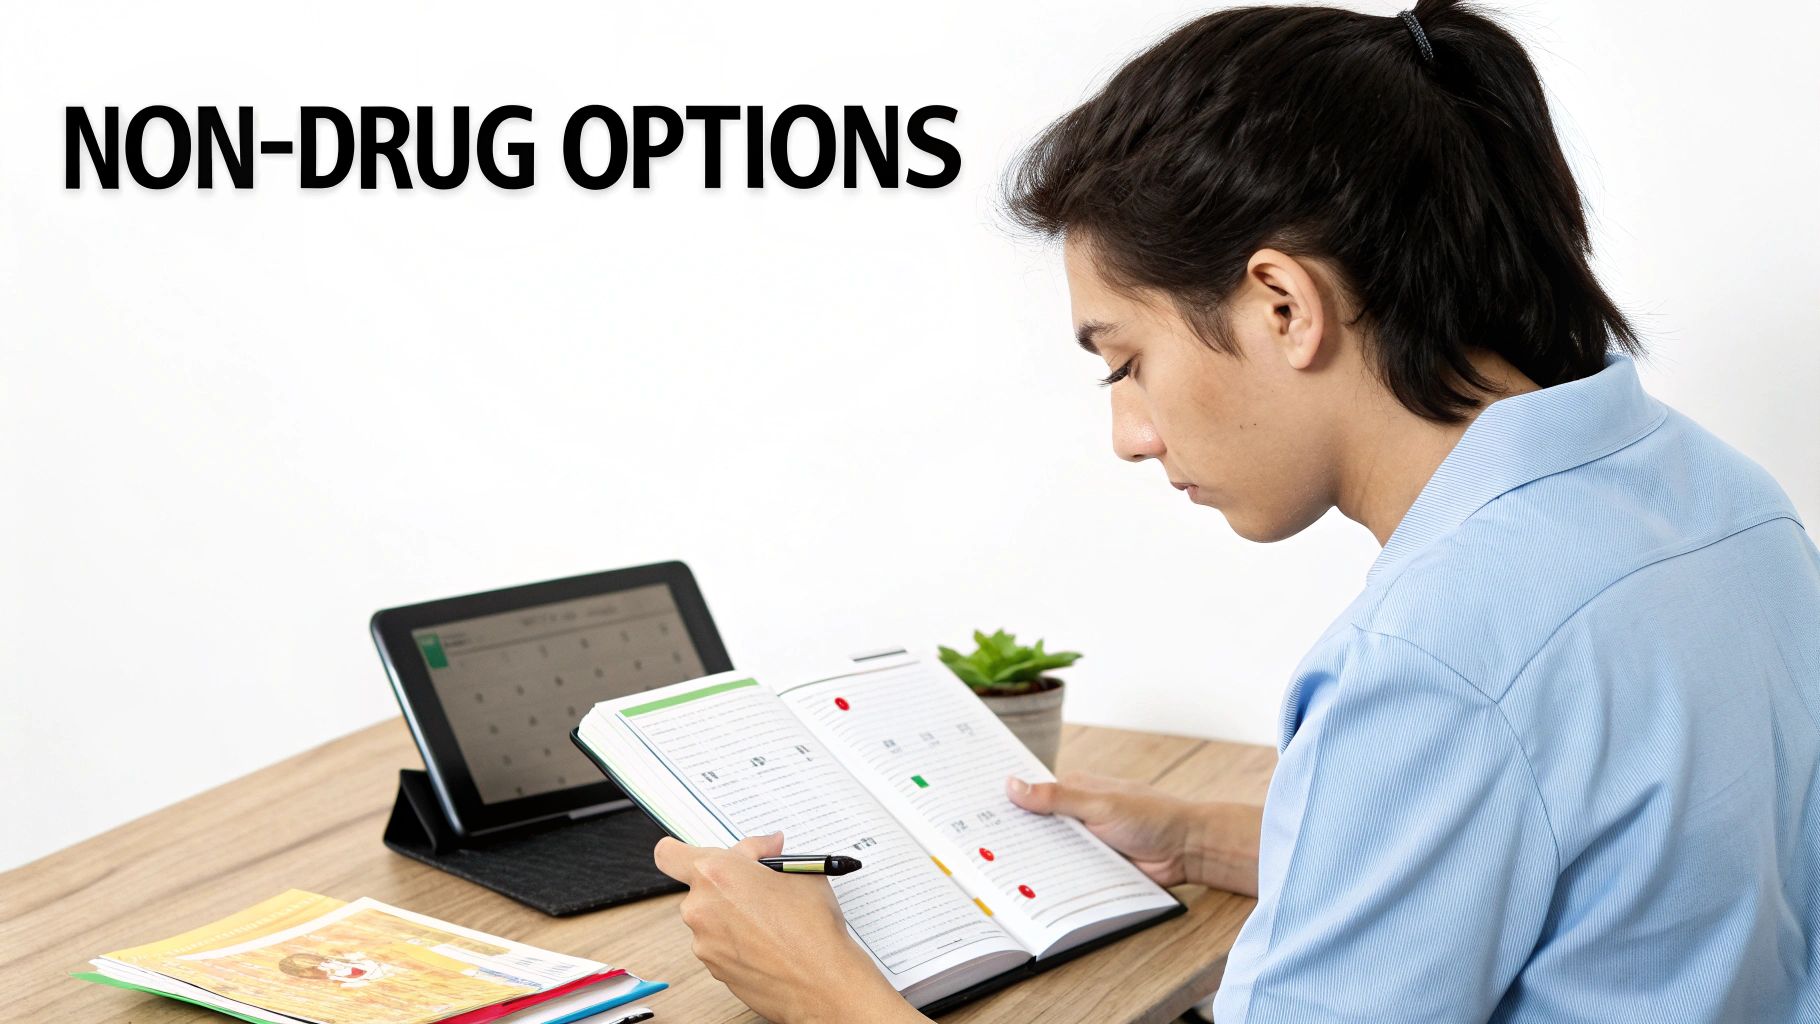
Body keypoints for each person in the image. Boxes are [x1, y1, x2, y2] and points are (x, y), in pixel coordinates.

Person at [651, 1, 1820, 1021]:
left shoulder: (1430, 660)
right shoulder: (1725, 502)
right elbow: (1616, 886)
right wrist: (1205, 835)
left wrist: (827, 991)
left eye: (1123, 361)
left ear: (1279, 304)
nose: (1129, 433)